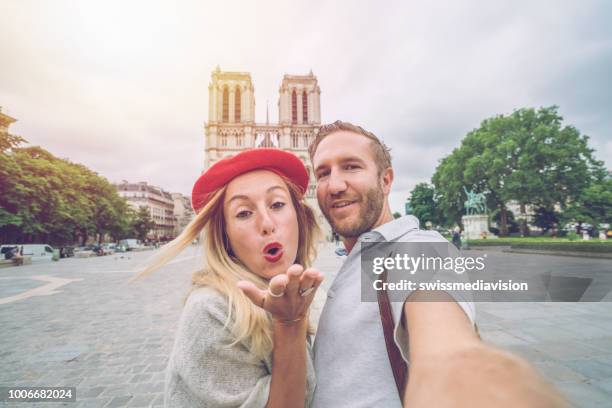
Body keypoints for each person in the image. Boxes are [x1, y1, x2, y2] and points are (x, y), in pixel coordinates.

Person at [303, 120, 565, 407]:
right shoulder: (360, 255)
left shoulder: (414, 248)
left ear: (386, 180)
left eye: (352, 166)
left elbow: (450, 356)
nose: (335, 185)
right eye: (323, 173)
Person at [134, 149, 324, 407]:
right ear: (224, 235)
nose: (266, 223)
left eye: (277, 204)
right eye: (244, 213)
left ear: (300, 217)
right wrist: (290, 323)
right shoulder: (212, 309)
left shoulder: (301, 291)